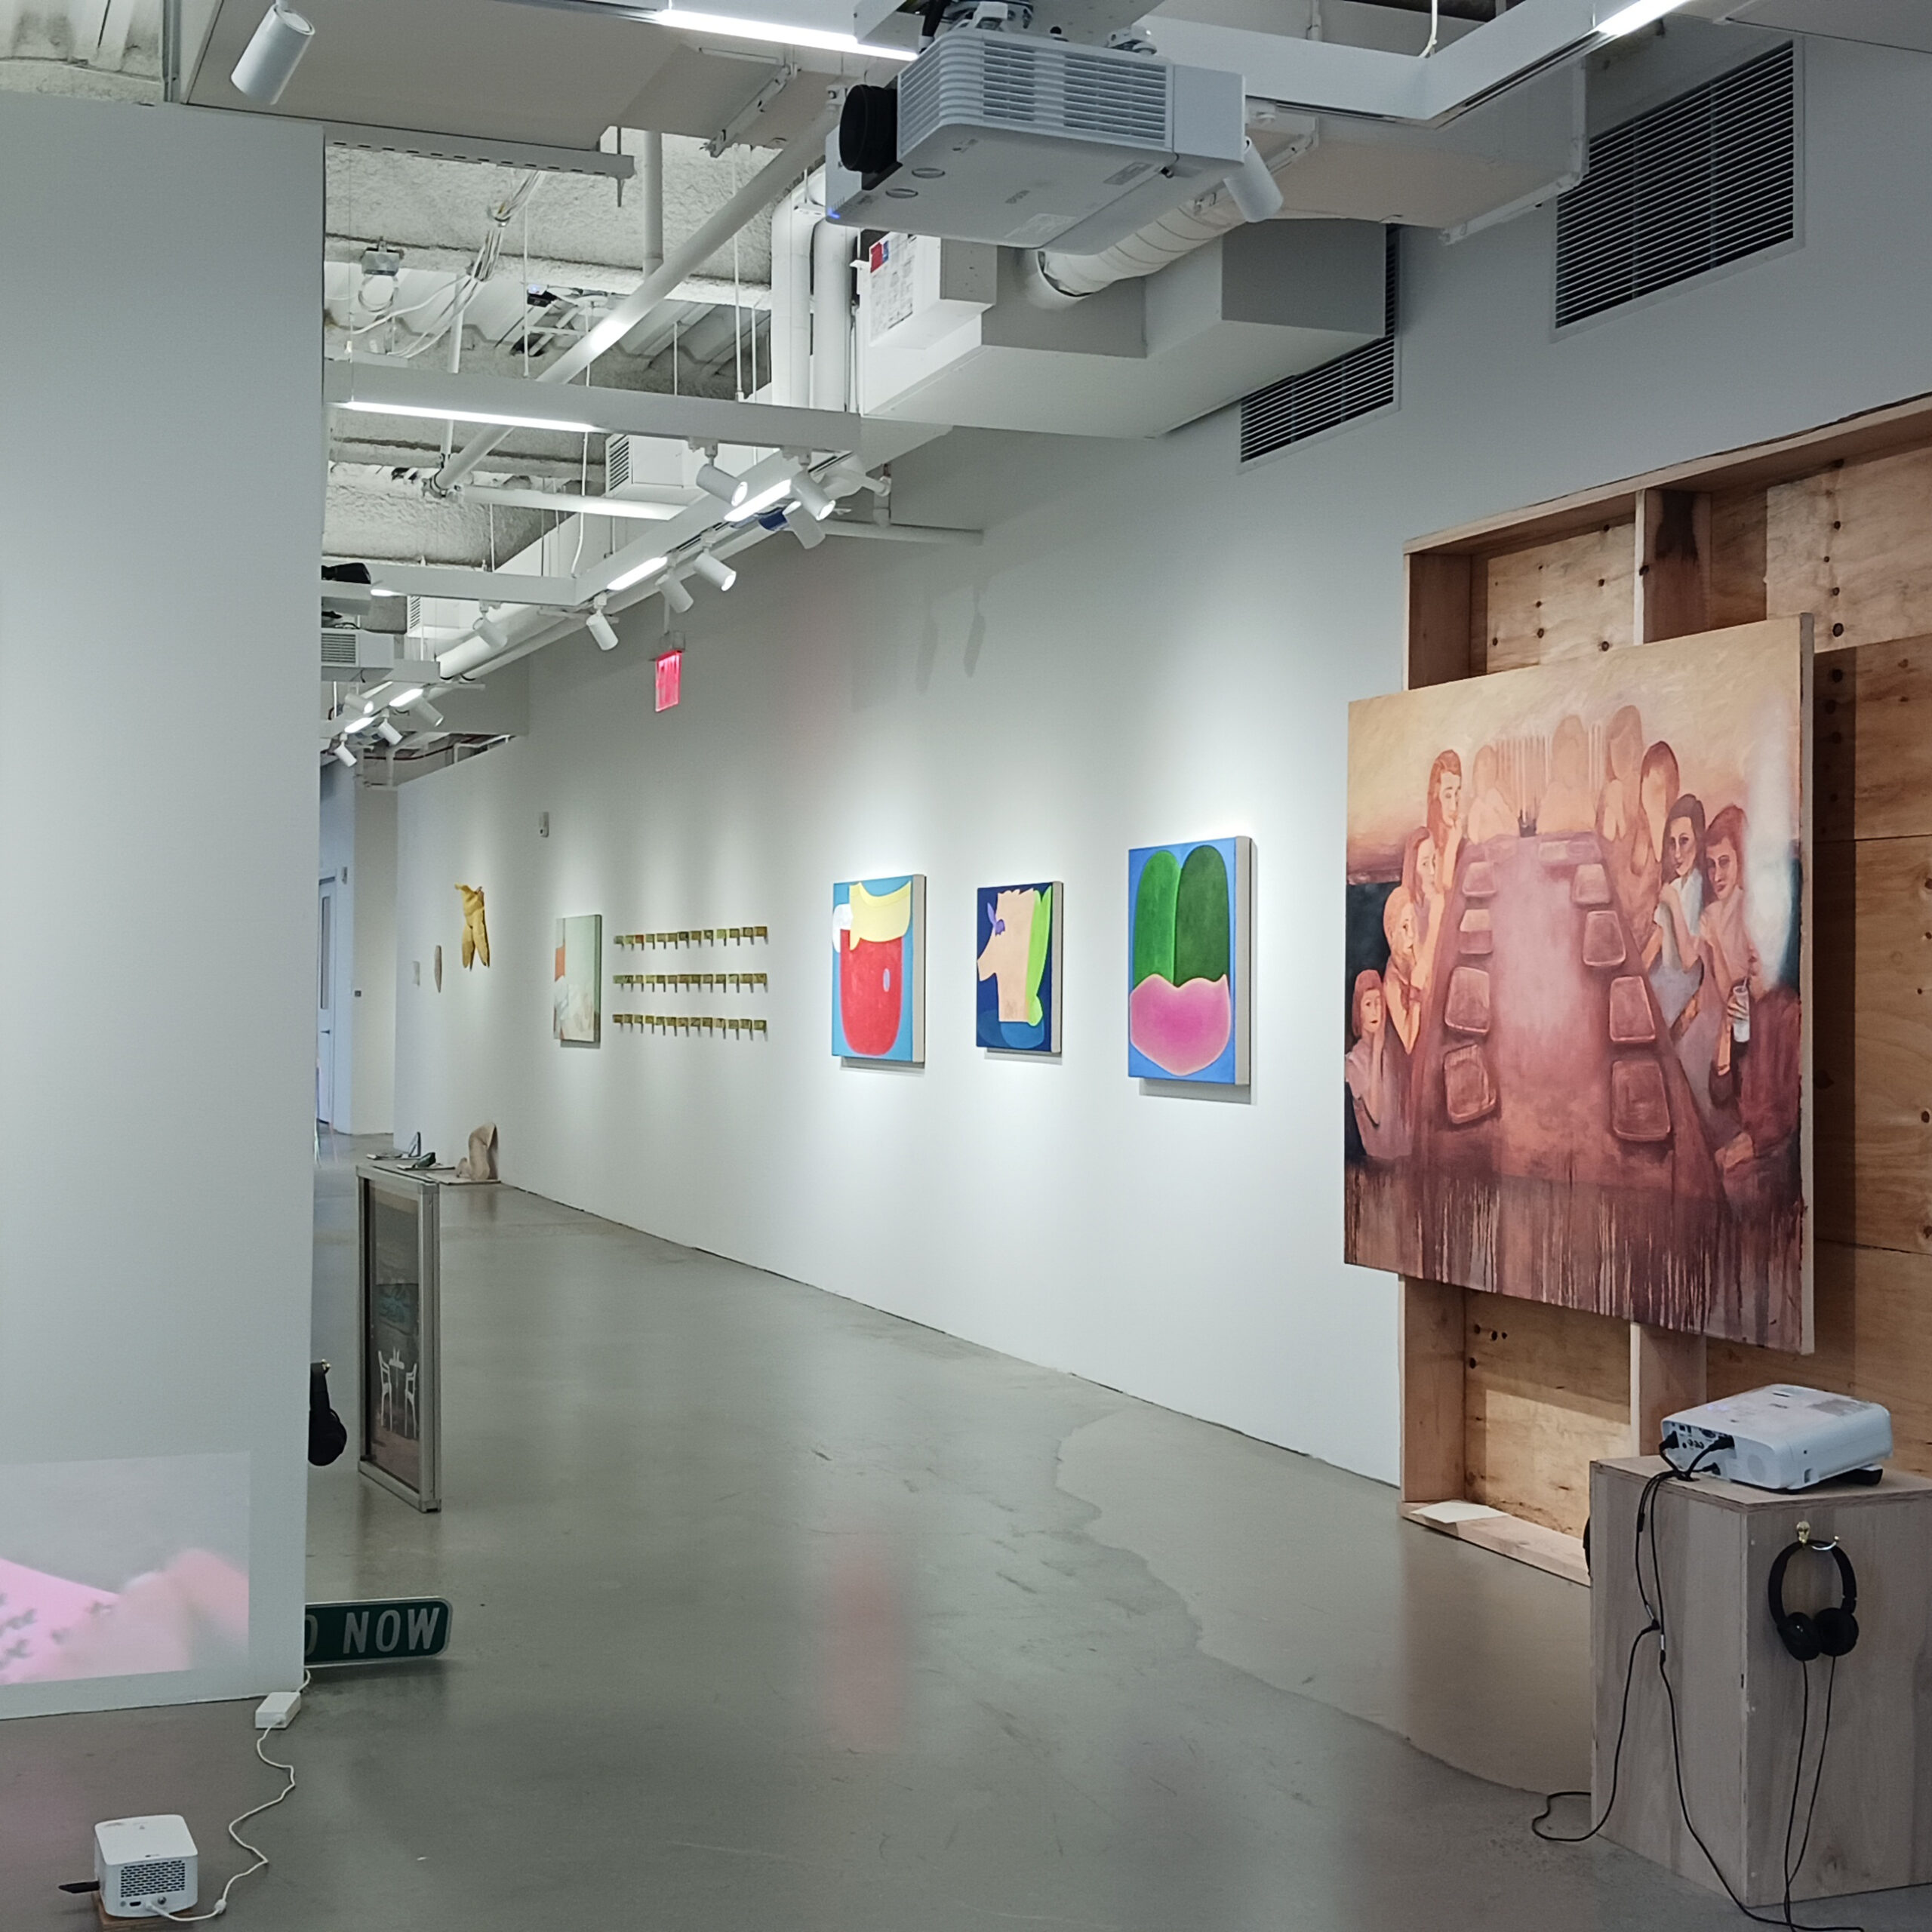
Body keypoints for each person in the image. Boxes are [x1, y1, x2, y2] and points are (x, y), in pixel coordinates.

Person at [1709, 937, 1801, 1204]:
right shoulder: (1740, 993)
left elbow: (1788, 1114)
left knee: (1725, 1188)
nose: (1751, 943)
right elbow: (1720, 1094)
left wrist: (1751, 1144)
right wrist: (1725, 1033)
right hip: (1739, 1128)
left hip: (1772, 1148)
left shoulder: (1789, 1010)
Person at [1645, 794, 1707, 1030]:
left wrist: (1673, 903)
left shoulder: (1702, 888)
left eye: (1684, 841)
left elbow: (1690, 962)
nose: (1677, 854)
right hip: (1663, 977)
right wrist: (1635, 976)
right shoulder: (1675, 886)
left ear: (1699, 841)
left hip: (1684, 985)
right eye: (1672, 843)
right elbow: (1657, 939)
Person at [1346, 968, 1411, 1161]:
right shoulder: (1353, 1061)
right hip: (1380, 1161)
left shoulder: (1392, 1051)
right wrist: (1376, 1049)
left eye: (1379, 1003)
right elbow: (1375, 1113)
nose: (1375, 1011)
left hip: (1404, 1154)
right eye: (1368, 1004)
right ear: (1358, 1011)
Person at [1699, 804, 1752, 1007]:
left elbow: (1733, 998)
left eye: (1724, 862)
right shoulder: (1710, 913)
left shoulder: (1748, 913)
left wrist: (1714, 942)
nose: (1717, 876)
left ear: (1741, 859)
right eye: (1711, 864)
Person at [1401, 829, 1445, 996]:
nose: (1433, 872)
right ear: (1413, 868)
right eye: (1425, 864)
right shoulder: (1406, 909)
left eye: (1434, 861)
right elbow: (1420, 969)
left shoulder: (1435, 901)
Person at [1381, 885, 1424, 1054]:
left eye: (1414, 924)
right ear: (1392, 934)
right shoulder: (1391, 983)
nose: (1412, 934)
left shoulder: (1414, 953)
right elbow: (1408, 1042)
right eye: (1405, 927)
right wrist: (1415, 990)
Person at [1537, 714, 1595, 835]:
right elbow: (1542, 829)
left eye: (1575, 754)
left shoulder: (1583, 789)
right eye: (1565, 756)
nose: (1571, 761)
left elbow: (1591, 825)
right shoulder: (1555, 791)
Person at [1425, 749, 1465, 892]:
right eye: (1448, 796)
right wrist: (1452, 847)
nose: (1454, 806)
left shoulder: (1464, 844)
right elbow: (1443, 898)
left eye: (1457, 794)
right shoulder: (1427, 848)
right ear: (1436, 799)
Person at [1466, 743, 1518, 844]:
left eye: (1492, 767)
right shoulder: (1476, 806)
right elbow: (1474, 836)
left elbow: (1512, 825)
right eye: (1486, 765)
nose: (1490, 772)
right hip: (1486, 847)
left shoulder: (1497, 796)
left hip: (1505, 843)